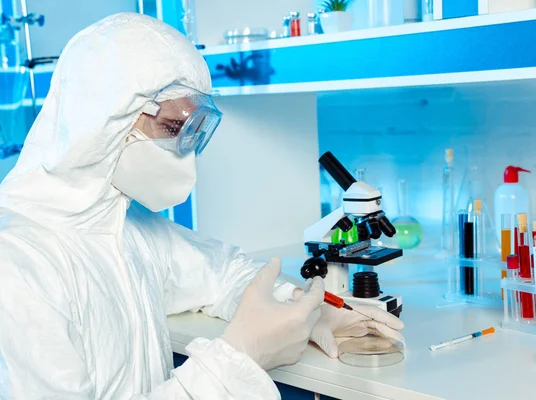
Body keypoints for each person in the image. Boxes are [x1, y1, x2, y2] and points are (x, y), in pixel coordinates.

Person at [0, 13, 404, 400]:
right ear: (105, 118)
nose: (183, 151)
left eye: (194, 131)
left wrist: (305, 309)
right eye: (173, 128)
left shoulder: (121, 225)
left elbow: (222, 272)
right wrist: (239, 357)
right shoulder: (17, 263)